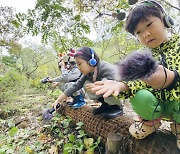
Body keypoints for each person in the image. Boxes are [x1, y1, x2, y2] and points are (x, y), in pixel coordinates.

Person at [92, 0, 180, 149]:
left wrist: (173, 78)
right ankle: (149, 122)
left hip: (176, 105)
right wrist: (122, 85)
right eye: (138, 32)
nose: (146, 34)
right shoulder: (142, 56)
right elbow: (137, 82)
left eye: (149, 25)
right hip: (155, 105)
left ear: (165, 20)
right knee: (139, 96)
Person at [52, 47, 123, 120]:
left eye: (80, 64)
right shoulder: (87, 74)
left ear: (91, 61)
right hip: (106, 93)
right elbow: (75, 86)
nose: (78, 67)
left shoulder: (105, 67)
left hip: (120, 92)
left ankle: (116, 107)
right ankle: (105, 105)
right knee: (86, 83)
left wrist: (97, 85)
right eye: (77, 64)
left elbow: (118, 82)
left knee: (105, 82)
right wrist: (57, 100)